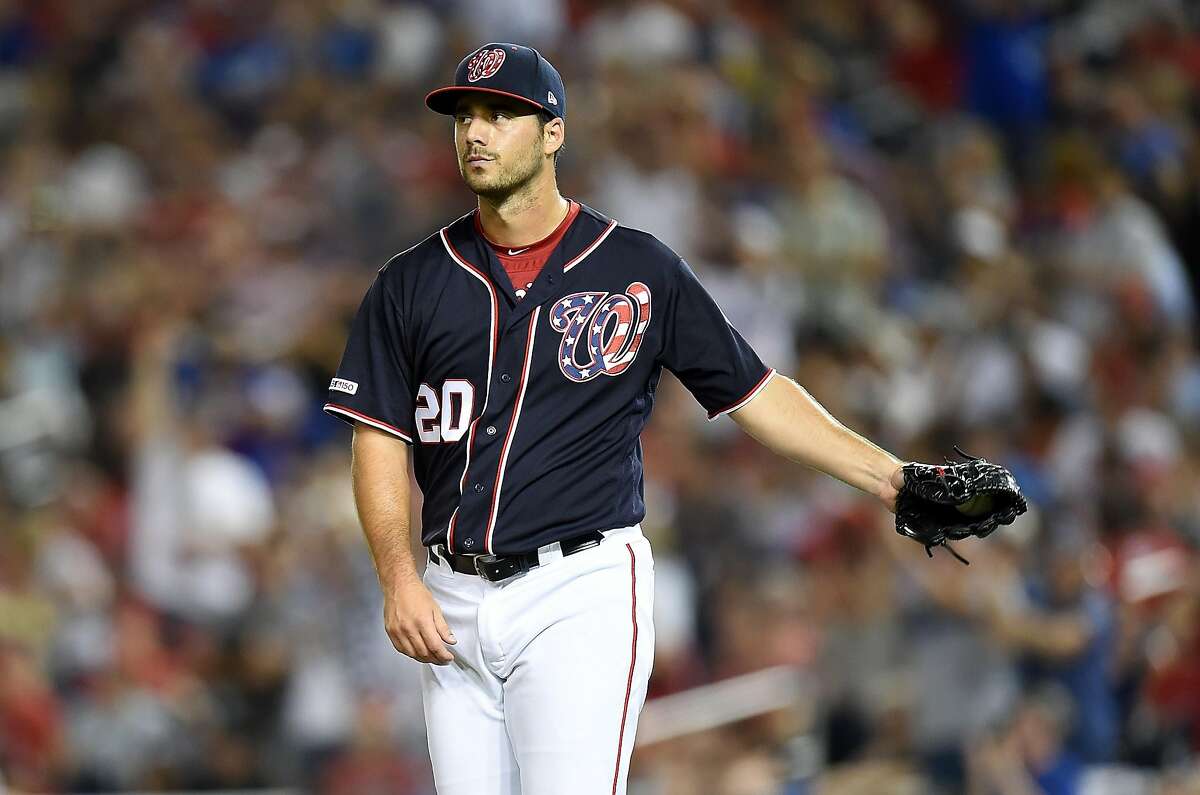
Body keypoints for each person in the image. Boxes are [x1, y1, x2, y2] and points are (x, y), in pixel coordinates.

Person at [325, 43, 911, 795]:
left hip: (579, 587)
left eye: (502, 114)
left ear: (553, 133)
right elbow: (377, 437)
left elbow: (755, 392)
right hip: (451, 599)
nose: (475, 132)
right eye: (464, 115)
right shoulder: (409, 283)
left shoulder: (635, 267)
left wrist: (893, 477)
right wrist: (398, 577)